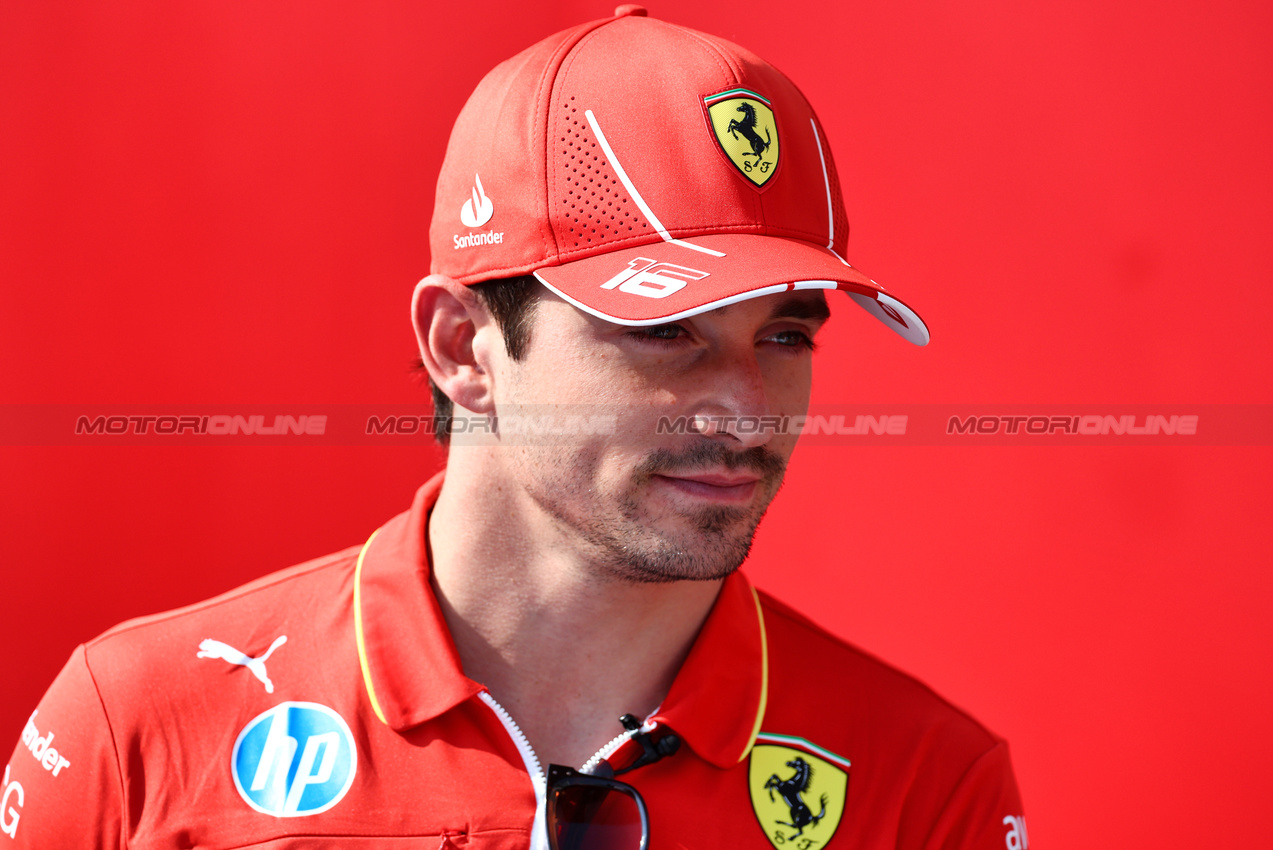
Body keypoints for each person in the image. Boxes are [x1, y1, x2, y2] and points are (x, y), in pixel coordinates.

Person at [2, 7, 1026, 849]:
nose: (745, 407)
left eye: (786, 334)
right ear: (463, 346)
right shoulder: (139, 728)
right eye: (663, 331)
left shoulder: (921, 786)